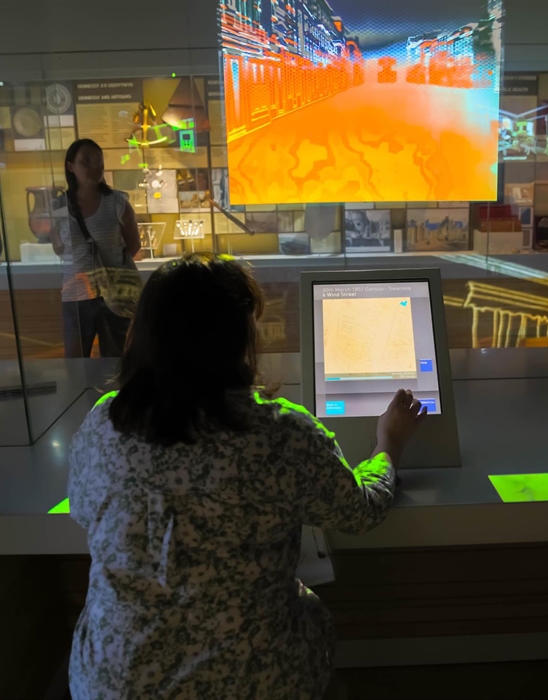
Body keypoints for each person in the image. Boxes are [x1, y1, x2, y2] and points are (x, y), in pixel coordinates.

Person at [67, 254, 425, 700]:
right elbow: (359, 511)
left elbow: (83, 511)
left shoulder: (105, 423)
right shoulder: (280, 432)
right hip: (253, 682)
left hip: (112, 683)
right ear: (239, 336)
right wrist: (387, 445)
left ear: (144, 333)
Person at [55, 138, 142, 358]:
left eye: (98, 162)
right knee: (75, 362)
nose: (95, 167)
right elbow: (60, 248)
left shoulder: (117, 203)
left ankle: (116, 394)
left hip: (114, 294)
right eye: (86, 161)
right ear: (70, 166)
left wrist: (106, 271)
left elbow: (133, 244)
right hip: (76, 294)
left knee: (116, 361)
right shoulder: (58, 206)